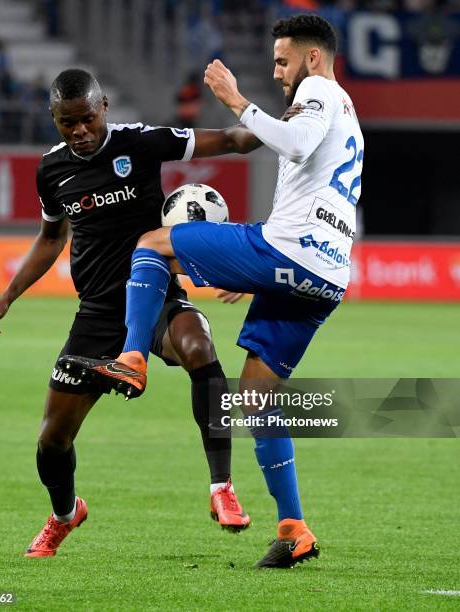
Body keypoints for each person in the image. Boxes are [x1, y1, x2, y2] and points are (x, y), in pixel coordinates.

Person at [61, 15, 364, 569]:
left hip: (289, 251)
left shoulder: (318, 90)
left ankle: (132, 355)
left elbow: (294, 145)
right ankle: (294, 529)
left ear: (313, 59)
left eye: (282, 61)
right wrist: (257, 273)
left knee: (153, 242)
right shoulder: (349, 116)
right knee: (254, 396)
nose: (278, 73)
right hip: (325, 273)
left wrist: (235, 99)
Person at [0, 68, 269, 557]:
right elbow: (52, 238)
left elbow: (234, 141)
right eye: (67, 123)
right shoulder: (51, 170)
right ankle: (66, 514)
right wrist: (8, 296)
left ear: (104, 106)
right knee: (52, 442)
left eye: (87, 119)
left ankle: (222, 487)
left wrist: (283, 127)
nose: (80, 132)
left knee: (198, 343)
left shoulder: (141, 142)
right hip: (97, 314)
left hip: (153, 295)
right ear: (55, 119)